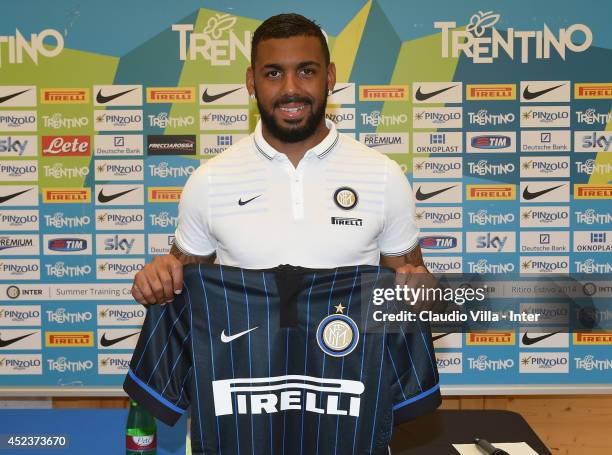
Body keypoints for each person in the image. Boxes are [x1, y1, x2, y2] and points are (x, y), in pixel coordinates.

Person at [132, 13, 429, 306]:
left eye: (306, 72)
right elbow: (176, 289)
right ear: (251, 82)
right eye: (273, 73)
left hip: (350, 353)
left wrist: (424, 292)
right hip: (246, 355)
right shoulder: (209, 181)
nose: (290, 89)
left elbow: (413, 295)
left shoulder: (383, 176)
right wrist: (157, 281)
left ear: (330, 77)